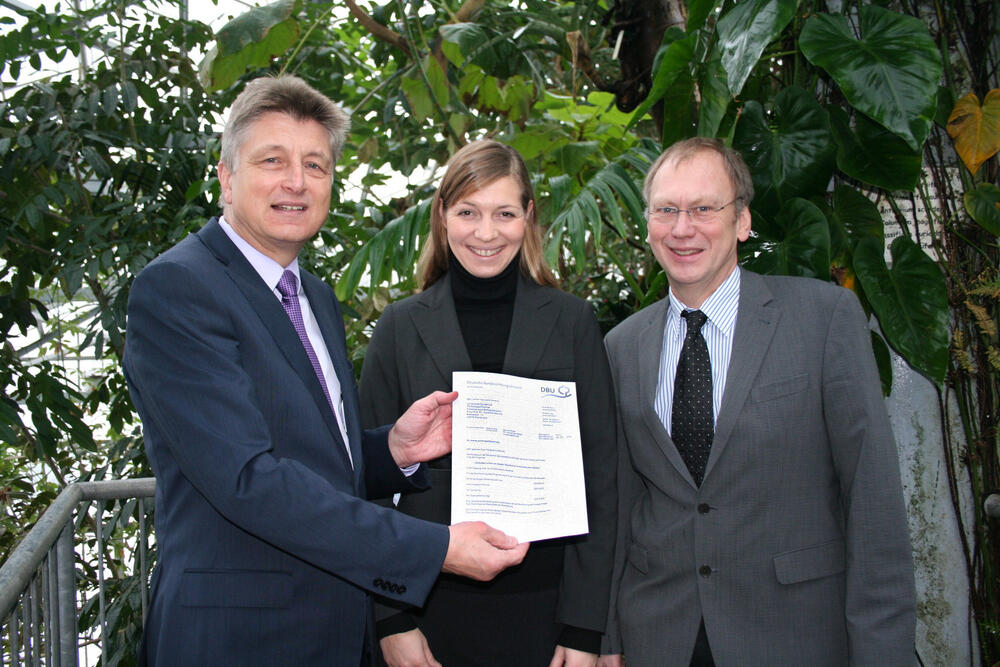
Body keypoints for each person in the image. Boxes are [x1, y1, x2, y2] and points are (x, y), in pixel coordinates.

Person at [122, 75, 528, 666]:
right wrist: (435, 547)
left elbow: (312, 459)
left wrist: (392, 449)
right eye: (273, 160)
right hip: (240, 641)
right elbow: (248, 480)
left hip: (335, 629)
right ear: (226, 177)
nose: (296, 181)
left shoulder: (312, 295)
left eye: (315, 165)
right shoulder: (179, 288)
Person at [598, 137, 916, 666]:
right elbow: (621, 507)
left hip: (793, 633)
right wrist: (607, 639)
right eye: (666, 210)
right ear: (648, 222)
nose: (683, 228)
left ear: (742, 221)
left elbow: (872, 497)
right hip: (659, 636)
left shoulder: (823, 318)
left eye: (704, 208)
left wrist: (882, 653)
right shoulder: (620, 346)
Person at [359, 140, 618, 667]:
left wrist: (587, 629)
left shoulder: (572, 323)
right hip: (428, 611)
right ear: (442, 216)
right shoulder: (400, 328)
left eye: (504, 213)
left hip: (546, 616)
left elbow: (603, 479)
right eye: (467, 212)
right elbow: (367, 483)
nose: (485, 232)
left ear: (527, 217)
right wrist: (391, 619)